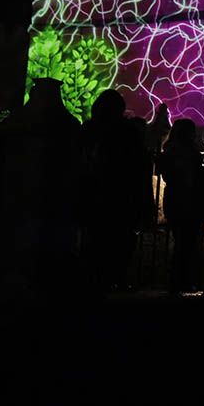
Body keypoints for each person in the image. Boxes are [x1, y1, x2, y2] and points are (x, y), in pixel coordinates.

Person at [78, 90, 148, 293]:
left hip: (93, 198)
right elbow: (139, 168)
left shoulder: (88, 131)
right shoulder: (128, 133)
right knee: (120, 244)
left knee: (93, 243)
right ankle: (116, 282)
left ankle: (91, 285)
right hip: (121, 199)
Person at [157, 119, 204, 293]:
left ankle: (177, 281)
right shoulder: (189, 152)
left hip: (174, 199)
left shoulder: (169, 151)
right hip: (188, 200)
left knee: (182, 241)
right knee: (187, 243)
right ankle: (183, 280)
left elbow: (169, 175)